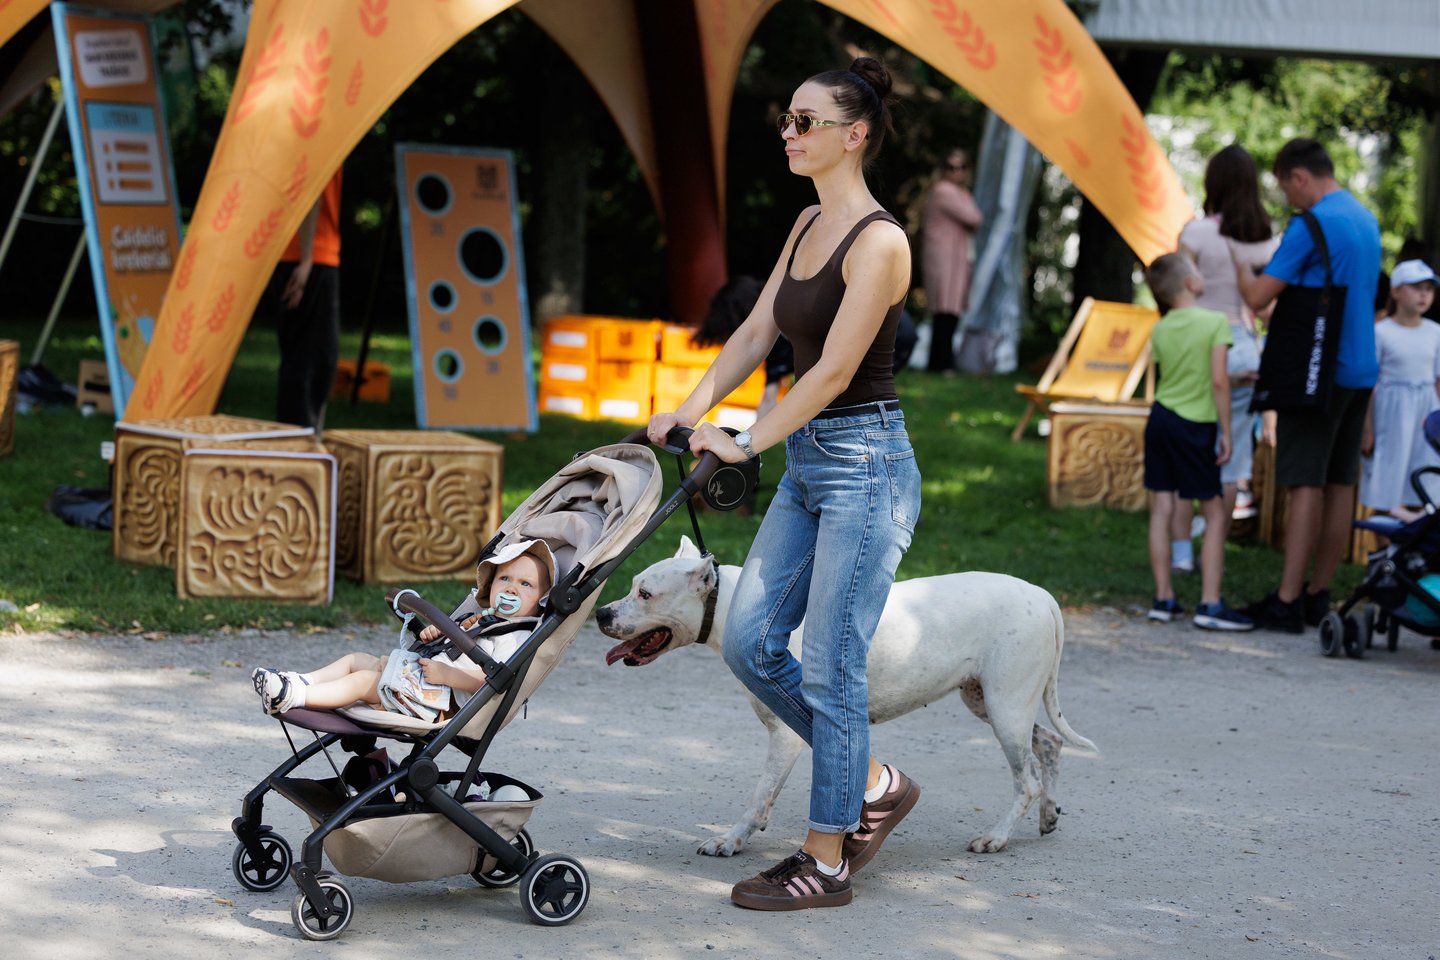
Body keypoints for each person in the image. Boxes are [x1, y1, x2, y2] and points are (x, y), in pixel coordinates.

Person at [647, 57, 919, 910]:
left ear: (855, 134)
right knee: (748, 642)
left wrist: (744, 440)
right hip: (810, 465)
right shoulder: (806, 223)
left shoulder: (881, 242)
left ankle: (826, 860)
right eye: (787, 121)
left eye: (807, 121)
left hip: (866, 468)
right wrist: (688, 410)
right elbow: (758, 331)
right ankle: (872, 781)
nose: (790, 134)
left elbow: (832, 371)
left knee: (831, 667)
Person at [1233, 138, 1381, 632]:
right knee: (1340, 484)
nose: (1287, 198)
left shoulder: (1311, 224)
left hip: (1320, 373)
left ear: (1299, 177)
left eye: (1285, 188)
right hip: (1362, 368)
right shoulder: (1365, 219)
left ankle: (1286, 601)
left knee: (1304, 485)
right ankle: (1319, 594)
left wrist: (1239, 263)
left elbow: (1259, 297)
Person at [250, 541, 552, 716]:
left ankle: (292, 697)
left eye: (525, 584)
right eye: (504, 579)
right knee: (357, 659)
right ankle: (300, 680)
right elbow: (459, 644)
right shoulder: (485, 618)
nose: (511, 588)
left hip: (439, 702)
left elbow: (496, 679)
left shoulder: (516, 637)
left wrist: (448, 674)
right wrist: (439, 633)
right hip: (423, 682)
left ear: (541, 600)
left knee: (364, 681)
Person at [1170, 145, 1279, 573]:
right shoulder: (1265, 240)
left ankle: (1181, 553)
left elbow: (1177, 290)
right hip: (1244, 349)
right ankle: (1213, 546)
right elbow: (1268, 310)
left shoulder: (1195, 233)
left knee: (1188, 449)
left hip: (1199, 345)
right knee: (1232, 463)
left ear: (1212, 182)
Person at [1142, 254, 1253, 631]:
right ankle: (1210, 603)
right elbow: (1217, 380)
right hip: (1196, 425)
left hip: (1161, 420)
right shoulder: (1214, 322)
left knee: (1161, 508)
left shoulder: (1161, 328)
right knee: (1215, 514)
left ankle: (1163, 599)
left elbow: (1176, 375)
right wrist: (1226, 431)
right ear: (1190, 282)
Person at [260, 168, 343, 430]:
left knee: (315, 359)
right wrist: (307, 258)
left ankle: (305, 439)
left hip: (310, 254)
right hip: (307, 255)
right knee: (309, 361)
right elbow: (311, 185)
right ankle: (298, 443)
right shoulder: (316, 134)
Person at [1360, 260, 1440, 516]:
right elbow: (1370, 384)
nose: (1423, 294)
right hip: (1391, 415)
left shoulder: (1435, 332)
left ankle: (1416, 537)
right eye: (1416, 287)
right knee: (1387, 480)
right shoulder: (1381, 332)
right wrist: (1367, 429)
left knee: (1424, 478)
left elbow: (1438, 380)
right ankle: (1387, 539)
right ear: (1395, 291)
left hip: (1425, 414)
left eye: (1428, 288)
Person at [921, 148, 983, 375]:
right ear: (943, 169)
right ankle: (942, 363)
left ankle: (940, 362)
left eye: (961, 167)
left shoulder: (960, 193)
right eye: (951, 167)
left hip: (955, 258)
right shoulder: (944, 190)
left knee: (948, 312)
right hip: (944, 259)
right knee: (945, 311)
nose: (956, 172)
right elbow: (975, 218)